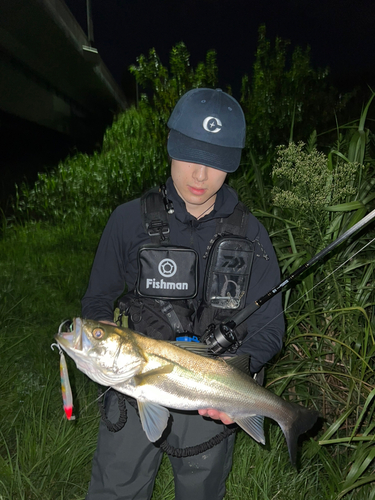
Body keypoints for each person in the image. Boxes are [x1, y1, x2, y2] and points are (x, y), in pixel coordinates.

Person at [81, 88, 285, 500]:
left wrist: (236, 389)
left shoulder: (253, 236)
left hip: (212, 396)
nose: (199, 175)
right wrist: (103, 336)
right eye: (191, 155)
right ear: (172, 147)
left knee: (201, 492)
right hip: (132, 383)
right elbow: (97, 300)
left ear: (232, 164)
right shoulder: (127, 220)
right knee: (116, 489)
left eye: (215, 162)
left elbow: (269, 329)